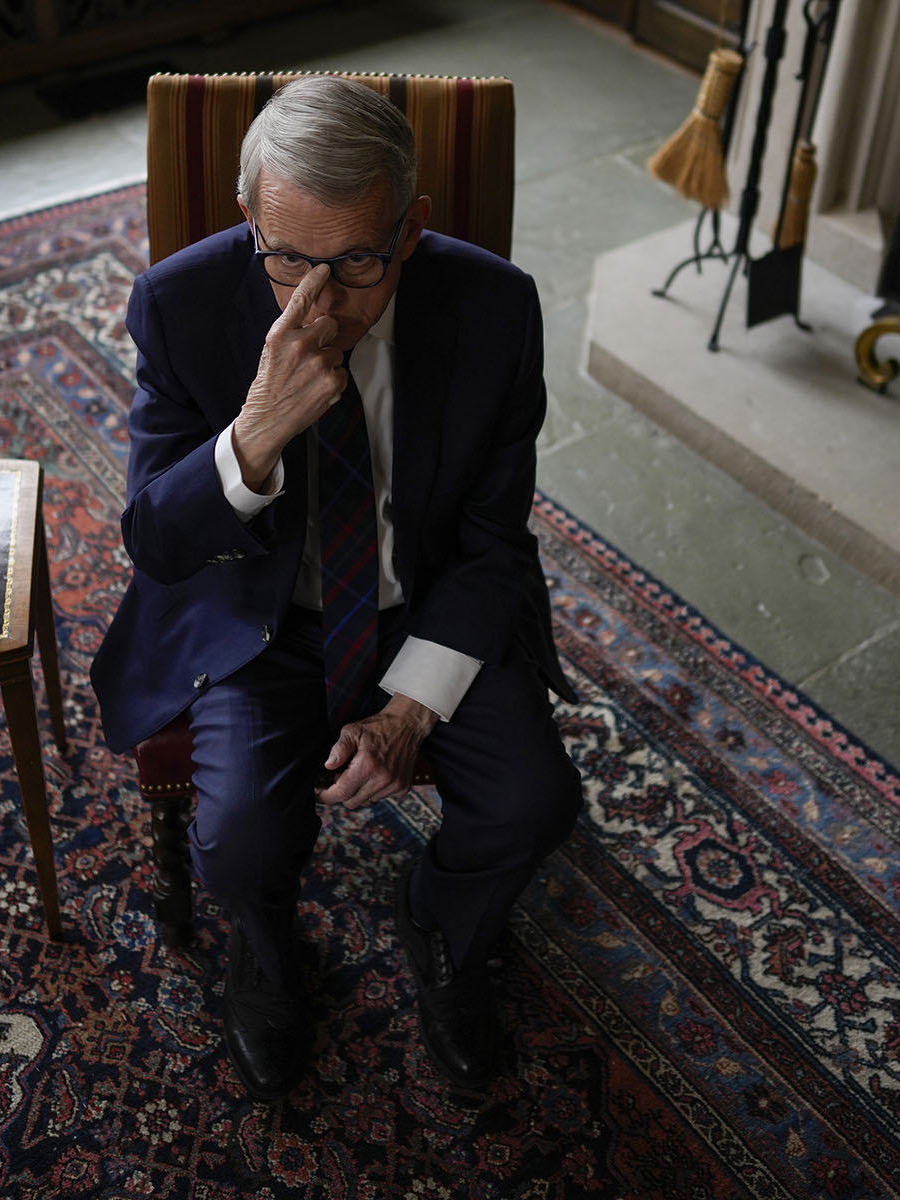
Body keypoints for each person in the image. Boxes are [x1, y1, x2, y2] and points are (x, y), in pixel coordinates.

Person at [90, 75, 581, 1099]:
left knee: (535, 802)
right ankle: (265, 955)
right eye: (286, 258)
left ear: (411, 229)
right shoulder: (178, 305)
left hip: (429, 600)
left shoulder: (496, 308)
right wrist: (254, 431)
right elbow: (156, 539)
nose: (318, 299)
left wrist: (410, 710)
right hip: (258, 620)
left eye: (358, 260)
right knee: (235, 842)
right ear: (248, 221)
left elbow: (494, 536)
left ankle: (444, 920)